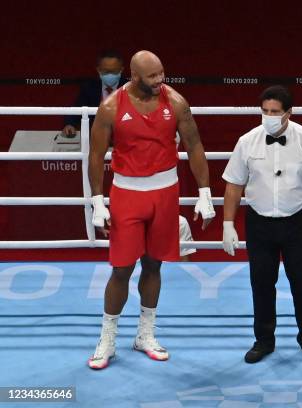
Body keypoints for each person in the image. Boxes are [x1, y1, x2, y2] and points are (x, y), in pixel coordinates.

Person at [87, 50, 215, 369]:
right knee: (121, 269)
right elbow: (95, 155)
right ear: (135, 77)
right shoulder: (112, 107)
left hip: (165, 193)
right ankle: (108, 338)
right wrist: (97, 202)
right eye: (153, 76)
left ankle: (145, 334)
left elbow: (194, 144)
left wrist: (205, 192)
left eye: (161, 73)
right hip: (127, 193)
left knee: (154, 265)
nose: (160, 81)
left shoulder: (176, 102)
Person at [222, 85, 302, 365]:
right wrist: (227, 223)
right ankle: (263, 340)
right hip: (259, 223)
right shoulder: (247, 141)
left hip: (298, 222)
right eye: (265, 111)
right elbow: (234, 185)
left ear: (288, 113)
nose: (269, 116)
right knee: (261, 283)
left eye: (275, 112)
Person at [62, 50, 127, 136]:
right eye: (106, 72)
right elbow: (76, 110)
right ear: (99, 70)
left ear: (121, 70)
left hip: (124, 137)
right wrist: (69, 124)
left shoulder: (130, 89)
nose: (110, 75)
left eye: (114, 71)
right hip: (96, 138)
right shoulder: (89, 88)